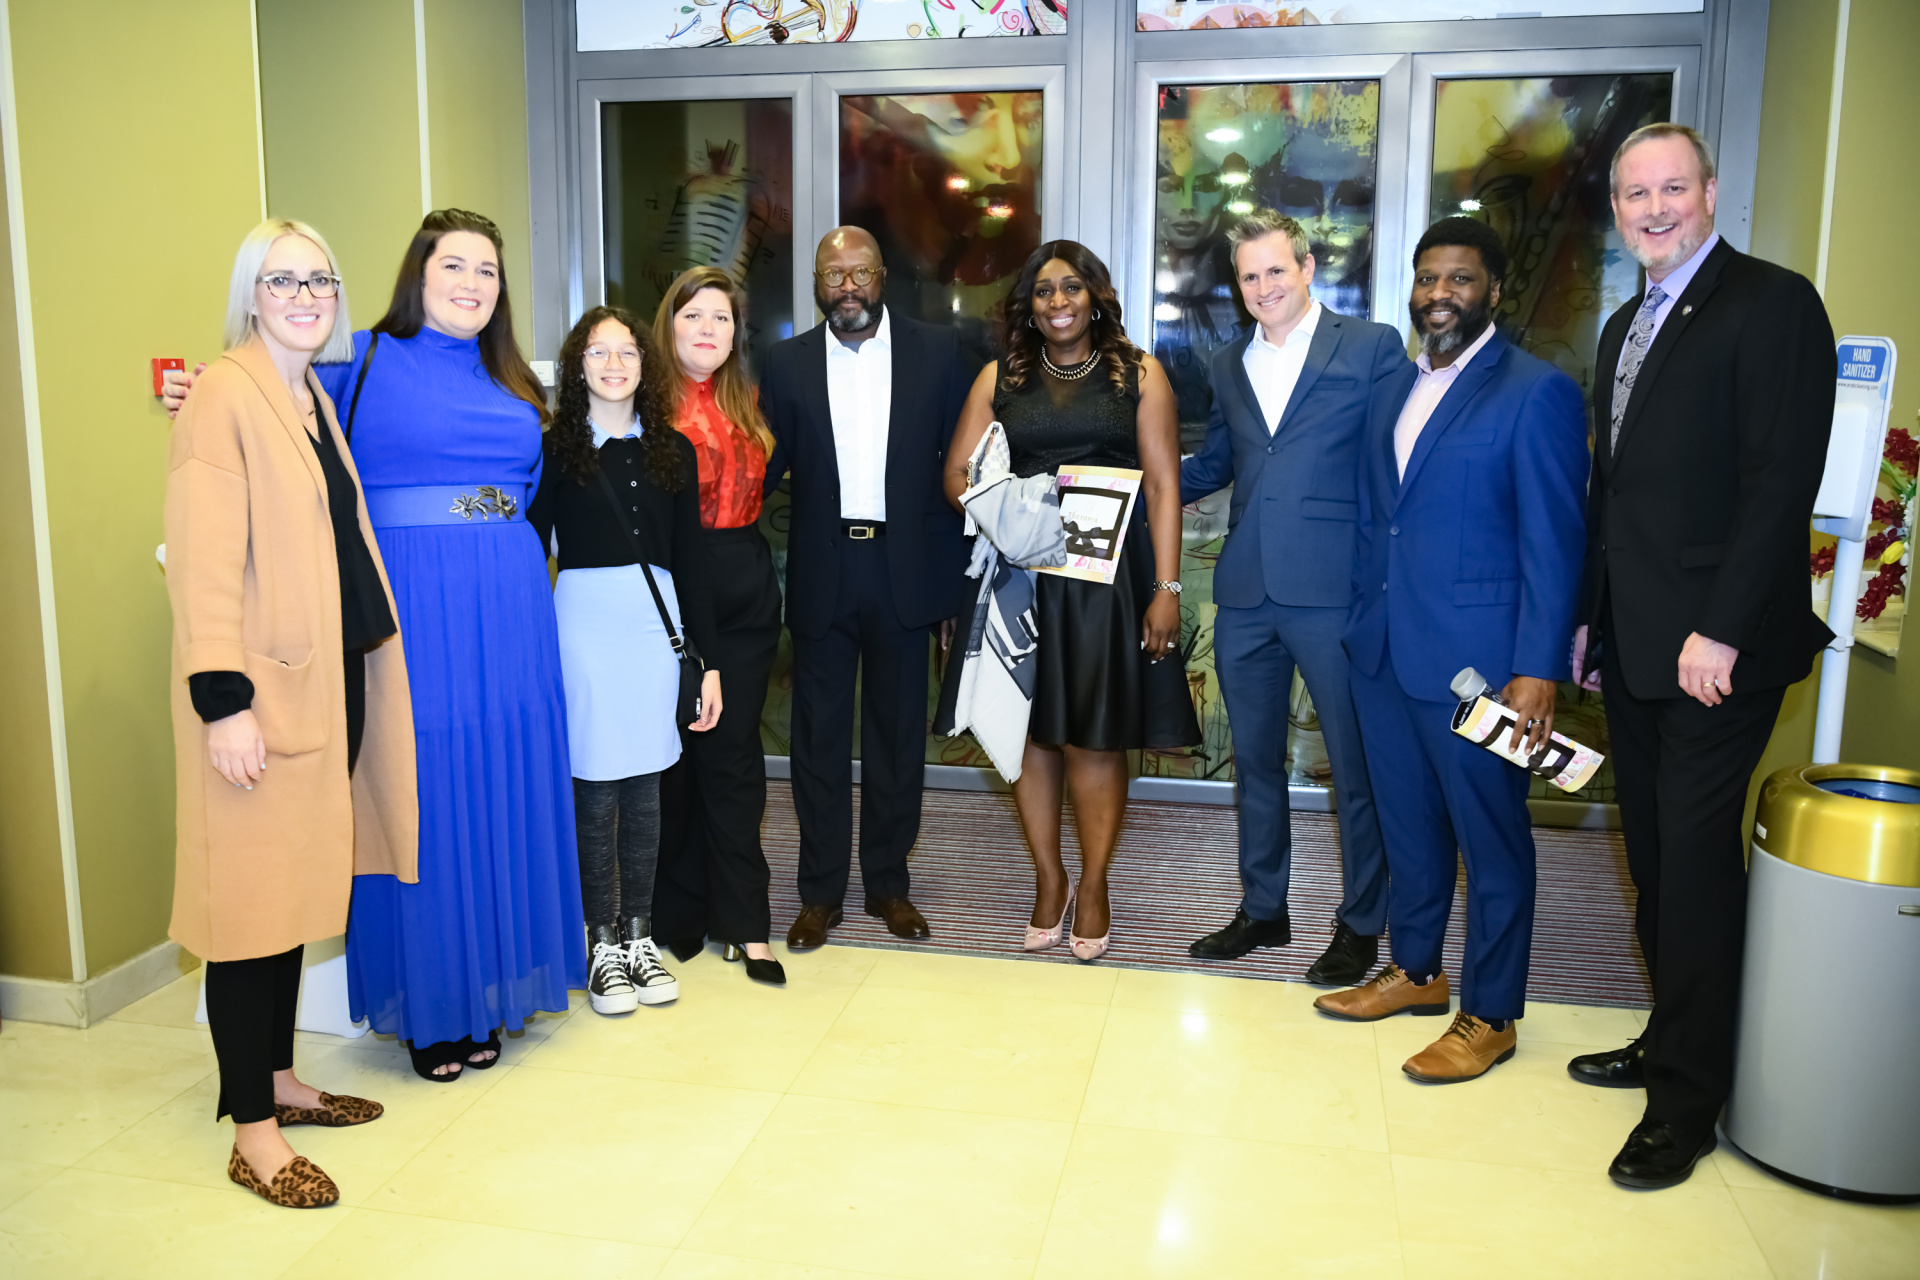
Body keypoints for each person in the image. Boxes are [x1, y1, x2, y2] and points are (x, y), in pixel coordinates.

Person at [1567, 124, 1835, 1190]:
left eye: (1672, 187)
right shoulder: (1623, 323)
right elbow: (1615, 494)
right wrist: (1589, 620)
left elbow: (1781, 482)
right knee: (1656, 862)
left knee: (1695, 869)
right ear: (1618, 210)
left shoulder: (1773, 304)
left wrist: (1719, 628)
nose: (1655, 208)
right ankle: (1669, 1038)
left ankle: (1686, 1105)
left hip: (1718, 653)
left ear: (1711, 193)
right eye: (1636, 194)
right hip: (1635, 643)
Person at [165, 219, 415, 1206]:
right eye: (283, 280)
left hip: (323, 684)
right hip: (256, 700)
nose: (305, 296)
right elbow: (203, 563)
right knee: (248, 913)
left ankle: (278, 1079)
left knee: (291, 899)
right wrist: (223, 703)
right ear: (250, 295)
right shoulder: (224, 395)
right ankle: (253, 1134)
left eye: (320, 279)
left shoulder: (306, 394)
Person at [1314, 217, 1589, 1084]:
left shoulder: (1536, 392)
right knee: (1408, 827)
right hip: (1385, 653)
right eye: (1428, 278)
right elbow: (1378, 519)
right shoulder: (1396, 386)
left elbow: (1556, 543)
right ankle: (1418, 971)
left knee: (1492, 840)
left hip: (1483, 667)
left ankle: (1492, 1013)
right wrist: (1360, 619)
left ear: (1494, 291)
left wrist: (1538, 667)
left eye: (1460, 279)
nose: (1440, 294)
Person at [942, 241, 1201, 961]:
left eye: (1072, 288)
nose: (1058, 302)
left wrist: (1167, 588)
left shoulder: (1138, 373)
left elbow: (1163, 486)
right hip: (1022, 578)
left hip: (1105, 586)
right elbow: (956, 475)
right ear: (1028, 304)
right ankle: (1049, 879)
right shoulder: (1001, 376)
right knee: (1028, 733)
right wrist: (1012, 511)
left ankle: (1094, 885)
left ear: (1095, 297)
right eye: (1044, 290)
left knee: (1093, 736)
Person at [1178, 208, 1404, 984]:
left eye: (1276, 269)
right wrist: (1128, 482)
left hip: (1336, 591)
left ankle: (1361, 923)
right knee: (1254, 763)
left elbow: (1394, 466)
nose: (1264, 286)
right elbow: (1215, 464)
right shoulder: (1227, 363)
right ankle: (1263, 909)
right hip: (1247, 592)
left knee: (1355, 768)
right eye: (1249, 276)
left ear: (1308, 269)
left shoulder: (1370, 346)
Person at [759, 226, 975, 950]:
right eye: (833, 274)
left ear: (882, 275)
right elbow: (760, 466)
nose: (847, 286)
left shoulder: (937, 351)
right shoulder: (784, 363)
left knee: (897, 738)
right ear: (816, 284)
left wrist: (955, 585)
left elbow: (963, 468)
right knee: (816, 741)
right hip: (823, 570)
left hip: (906, 572)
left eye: (859, 272)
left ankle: (887, 884)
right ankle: (820, 893)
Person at [528, 305, 723, 1014]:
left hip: (654, 630)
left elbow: (693, 562)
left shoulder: (674, 450)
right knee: (594, 785)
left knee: (645, 784)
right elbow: (531, 551)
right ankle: (600, 940)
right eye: (598, 352)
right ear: (577, 367)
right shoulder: (553, 451)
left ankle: (639, 935)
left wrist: (707, 664)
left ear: (646, 364)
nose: (614, 365)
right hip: (582, 628)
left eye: (628, 352)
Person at [645, 266, 788, 985]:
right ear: (668, 325)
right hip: (672, 589)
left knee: (733, 759)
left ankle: (746, 923)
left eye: (722, 318)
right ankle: (676, 914)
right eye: (693, 315)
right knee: (672, 761)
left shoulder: (748, 400)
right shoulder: (641, 405)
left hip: (748, 590)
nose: (708, 329)